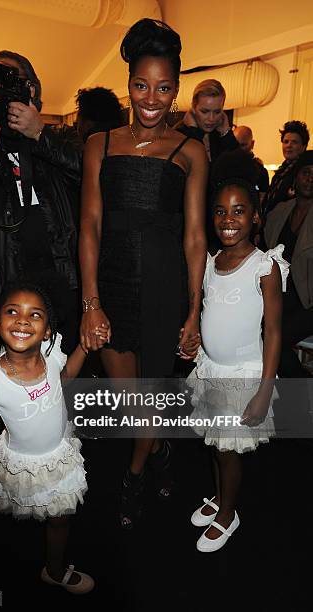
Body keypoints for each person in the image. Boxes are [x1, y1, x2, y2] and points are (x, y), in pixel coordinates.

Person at [79, 18, 208, 529]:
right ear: (128, 82)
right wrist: (91, 302)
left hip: (163, 289)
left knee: (148, 400)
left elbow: (195, 238)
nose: (151, 98)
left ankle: (132, 478)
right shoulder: (100, 145)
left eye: (163, 87)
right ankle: (157, 454)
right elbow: (89, 225)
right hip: (109, 286)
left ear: (176, 90)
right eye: (140, 85)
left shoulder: (192, 150)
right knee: (132, 404)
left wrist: (194, 311)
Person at [0, 283, 108, 592]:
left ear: (46, 331)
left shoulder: (51, 353)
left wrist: (83, 348)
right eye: (12, 311)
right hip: (26, 463)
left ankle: (52, 569)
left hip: (58, 454)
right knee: (45, 518)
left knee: (58, 519)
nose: (23, 320)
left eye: (35, 314)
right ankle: (53, 571)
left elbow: (65, 377)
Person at [185, 150, 288, 552]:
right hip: (211, 369)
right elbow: (207, 312)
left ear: (256, 217)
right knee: (214, 442)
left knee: (228, 450)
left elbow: (275, 332)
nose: (229, 220)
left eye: (239, 211)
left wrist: (264, 390)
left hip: (243, 376)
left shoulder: (265, 266)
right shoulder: (211, 262)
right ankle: (219, 498)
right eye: (220, 212)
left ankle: (229, 513)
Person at [0, 51, 82, 354]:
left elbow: (89, 176)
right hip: (7, 277)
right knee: (16, 369)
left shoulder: (58, 135)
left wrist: (39, 134)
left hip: (61, 273)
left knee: (66, 359)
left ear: (31, 90)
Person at [263, 150, 313, 378]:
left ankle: (301, 390)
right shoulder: (280, 211)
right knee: (256, 334)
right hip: (279, 295)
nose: (310, 178)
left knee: (273, 340)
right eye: (306, 172)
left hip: (308, 301)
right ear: (296, 176)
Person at [175, 79, 239, 162]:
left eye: (217, 112)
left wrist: (226, 133)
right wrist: (194, 132)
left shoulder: (219, 135)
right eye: (204, 112)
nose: (211, 118)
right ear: (193, 108)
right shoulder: (178, 135)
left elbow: (241, 167)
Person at [263, 120, 310, 215]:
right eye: (286, 142)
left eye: (294, 142)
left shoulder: (304, 174)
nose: (289, 145)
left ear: (303, 146)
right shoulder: (281, 172)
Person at [233, 125, 269, 201]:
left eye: (243, 145)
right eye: (235, 145)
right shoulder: (224, 168)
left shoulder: (261, 172)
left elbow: (262, 201)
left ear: (252, 144)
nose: (238, 149)